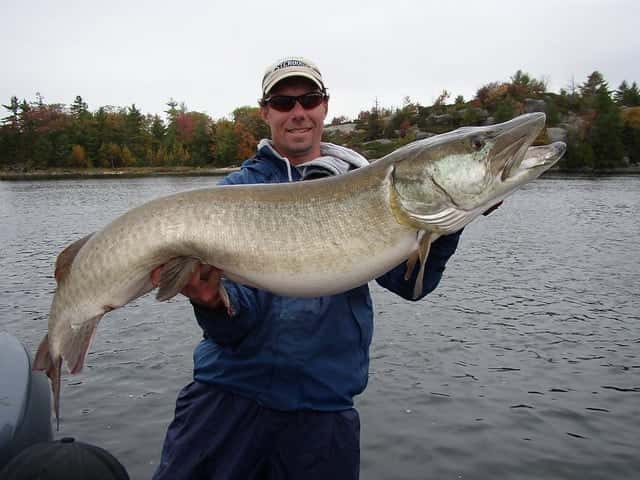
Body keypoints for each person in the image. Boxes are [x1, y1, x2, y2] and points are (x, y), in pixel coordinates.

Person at [150, 56, 463, 480]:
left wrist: (448, 220)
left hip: (322, 413)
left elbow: (412, 285)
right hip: (226, 399)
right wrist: (211, 304)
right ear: (265, 112)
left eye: (309, 99)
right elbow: (232, 329)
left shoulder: (370, 187)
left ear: (325, 106)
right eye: (283, 102)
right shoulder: (233, 194)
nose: (298, 112)